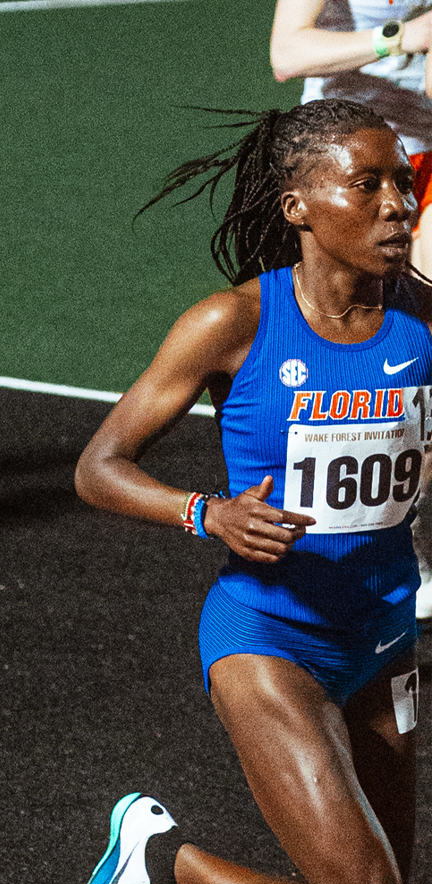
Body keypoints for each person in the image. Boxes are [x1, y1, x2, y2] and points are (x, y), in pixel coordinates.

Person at [75, 100, 425, 884]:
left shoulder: (423, 319)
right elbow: (99, 466)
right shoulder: (234, 323)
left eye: (406, 182)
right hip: (271, 642)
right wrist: (206, 514)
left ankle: (163, 861)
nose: (399, 204)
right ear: (301, 204)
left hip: (386, 645)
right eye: (371, 184)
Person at [272, 0, 432, 618]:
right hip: (348, 169)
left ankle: (407, 529)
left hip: (426, 152)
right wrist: (406, 36)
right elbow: (288, 54)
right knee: (367, 350)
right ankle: (381, 532)